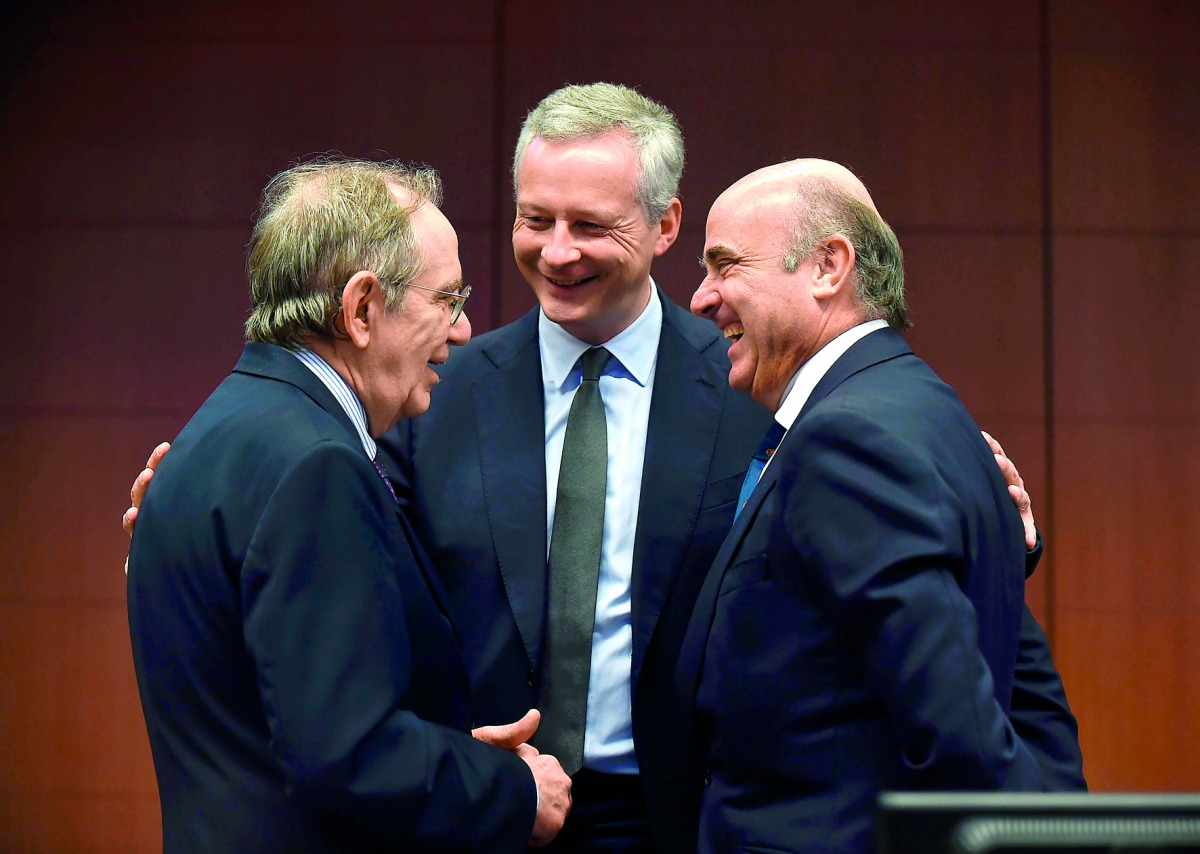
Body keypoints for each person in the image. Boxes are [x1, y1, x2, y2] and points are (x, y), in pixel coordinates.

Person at [125, 85, 1081, 852]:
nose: (557, 250)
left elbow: (849, 561)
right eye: (534, 219)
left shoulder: (761, 390)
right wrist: (202, 531)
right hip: (484, 814)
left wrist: (996, 536)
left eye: (591, 224)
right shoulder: (431, 393)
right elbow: (339, 579)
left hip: (685, 813)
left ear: (666, 228)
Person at [126, 158, 570, 852]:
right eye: (446, 300)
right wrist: (513, 790)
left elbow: (280, 711)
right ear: (362, 309)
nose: (461, 330)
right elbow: (347, 754)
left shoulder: (217, 430)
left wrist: (448, 750)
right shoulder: (319, 466)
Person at [677, 158, 1053, 853]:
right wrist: (1057, 810)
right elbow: (1011, 674)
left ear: (828, 266)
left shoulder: (848, 436)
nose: (701, 298)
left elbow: (957, 725)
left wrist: (1038, 836)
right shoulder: (927, 409)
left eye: (725, 265)